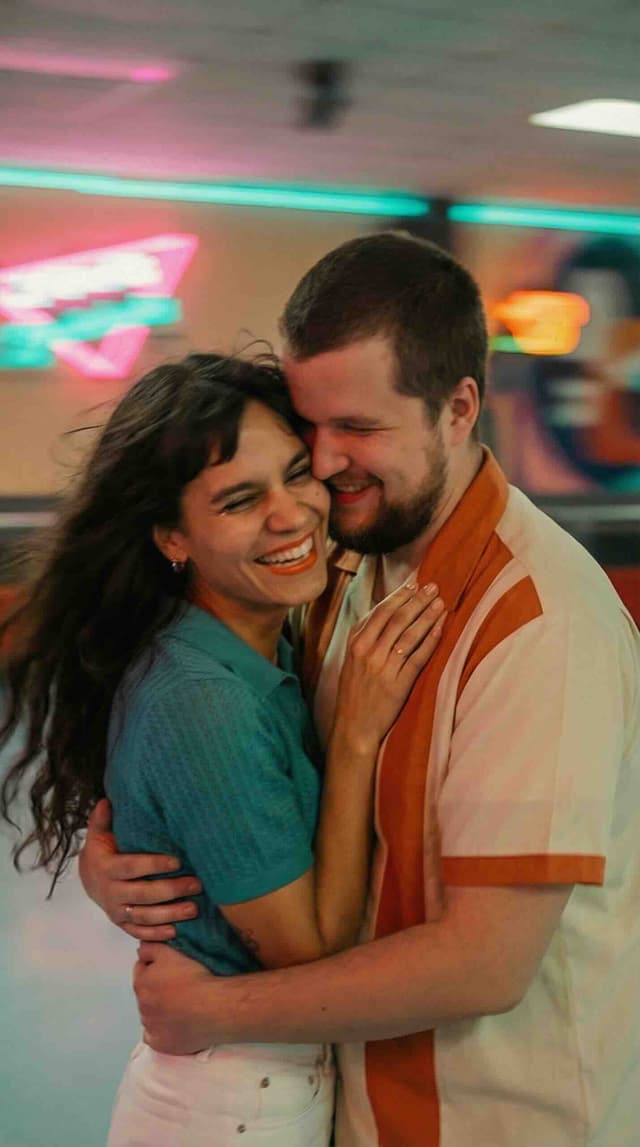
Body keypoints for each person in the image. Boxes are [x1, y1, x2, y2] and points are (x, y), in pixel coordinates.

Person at [80, 234, 640, 1147]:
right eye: (312, 427)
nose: (327, 465)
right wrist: (138, 868)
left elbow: (486, 963)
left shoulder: (542, 622)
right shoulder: (344, 559)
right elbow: (245, 781)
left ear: (459, 408)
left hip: (501, 1122)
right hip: (348, 1104)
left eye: (362, 428)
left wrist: (221, 1010)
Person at [0, 350, 445, 1147]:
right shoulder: (202, 696)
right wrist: (352, 739)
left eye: (297, 475)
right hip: (238, 1105)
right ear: (172, 536)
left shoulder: (255, 639)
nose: (290, 515)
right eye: (240, 500)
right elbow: (308, 950)